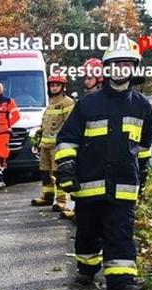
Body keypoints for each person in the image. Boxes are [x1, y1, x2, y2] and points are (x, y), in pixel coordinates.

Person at [55, 39, 152, 290]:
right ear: (107, 68)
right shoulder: (88, 104)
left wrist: (142, 172)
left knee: (120, 233)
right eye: (116, 64)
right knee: (88, 232)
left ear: (134, 68)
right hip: (89, 186)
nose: (121, 69)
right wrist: (66, 168)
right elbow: (68, 138)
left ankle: (121, 283)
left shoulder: (143, 106)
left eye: (127, 64)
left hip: (124, 185)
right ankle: (87, 267)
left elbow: (144, 146)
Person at [58, 58, 106, 221]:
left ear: (100, 78)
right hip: (87, 172)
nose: (86, 81)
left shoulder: (111, 102)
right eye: (84, 78)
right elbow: (68, 137)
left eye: (89, 78)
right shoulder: (84, 103)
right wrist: (67, 166)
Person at [30, 72, 75, 210]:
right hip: (45, 145)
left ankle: (61, 200)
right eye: (52, 85)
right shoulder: (50, 103)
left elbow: (70, 124)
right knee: (44, 171)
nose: (54, 88)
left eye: (57, 85)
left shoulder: (67, 102)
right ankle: (47, 197)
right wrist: (38, 135)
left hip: (58, 146)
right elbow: (46, 124)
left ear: (63, 87)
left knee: (58, 173)